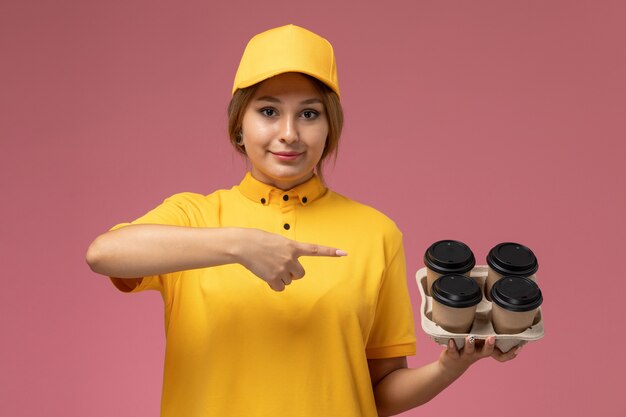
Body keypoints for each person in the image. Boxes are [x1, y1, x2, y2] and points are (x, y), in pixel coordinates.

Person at [86, 24, 518, 417]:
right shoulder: (195, 216)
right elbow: (104, 253)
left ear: (331, 128)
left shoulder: (376, 232)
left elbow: (379, 391)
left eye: (309, 114)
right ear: (239, 126)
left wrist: (448, 367)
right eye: (269, 111)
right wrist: (240, 244)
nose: (289, 133)